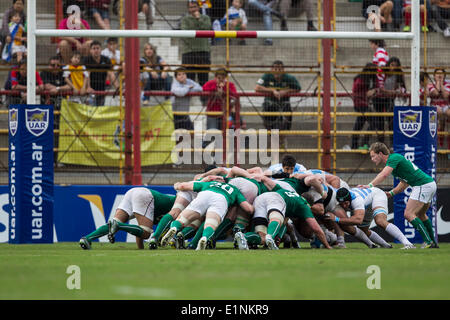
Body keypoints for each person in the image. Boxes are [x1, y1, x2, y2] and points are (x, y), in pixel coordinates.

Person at [358, 142, 439, 248]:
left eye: (373, 156)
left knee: (408, 214)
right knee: (421, 215)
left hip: (422, 185)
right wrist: (392, 193)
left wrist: (369, 185)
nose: (372, 159)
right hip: (429, 184)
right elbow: (404, 183)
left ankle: (428, 242)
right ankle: (433, 242)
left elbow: (384, 174)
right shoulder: (394, 162)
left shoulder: (393, 158)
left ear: (381, 154)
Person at [235, 174, 332, 250]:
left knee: (262, 237)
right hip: (275, 199)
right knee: (275, 220)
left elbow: (271, 184)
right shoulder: (304, 205)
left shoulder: (288, 191)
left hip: (260, 199)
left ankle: (243, 236)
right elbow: (316, 229)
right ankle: (270, 237)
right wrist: (327, 246)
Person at [161, 179, 254, 250]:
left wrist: (176, 184)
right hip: (221, 199)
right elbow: (248, 209)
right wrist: (253, 207)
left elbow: (182, 186)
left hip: (205, 194)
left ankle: (174, 228)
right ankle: (205, 237)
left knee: (182, 219)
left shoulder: (209, 183)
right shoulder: (235, 190)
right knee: (210, 224)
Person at [79, 187, 176, 250]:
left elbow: (139, 231)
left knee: (114, 222)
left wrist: (141, 249)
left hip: (132, 192)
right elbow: (144, 233)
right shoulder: (178, 205)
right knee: (146, 232)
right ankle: (119, 226)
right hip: (145, 196)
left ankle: (87, 239)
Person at [325, 187, 415, 249]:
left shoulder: (357, 200)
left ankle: (408, 243)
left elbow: (358, 220)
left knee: (380, 221)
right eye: (342, 204)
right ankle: (386, 245)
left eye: (346, 203)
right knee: (364, 230)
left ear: (350, 200)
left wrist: (337, 219)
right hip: (366, 203)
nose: (344, 206)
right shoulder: (341, 196)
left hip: (377, 195)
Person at [255, 60, 301, 148]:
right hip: (269, 105)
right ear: (271, 69)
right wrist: (272, 90)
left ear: (283, 70)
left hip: (284, 104)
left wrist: (286, 91)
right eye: (275, 68)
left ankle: (282, 140)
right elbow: (257, 88)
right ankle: (275, 140)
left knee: (284, 125)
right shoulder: (266, 76)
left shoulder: (289, 78)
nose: (277, 71)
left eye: (280, 69)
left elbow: (298, 88)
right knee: (269, 125)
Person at [180, 0, 212, 93]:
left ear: (198, 7)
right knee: (189, 79)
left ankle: (204, 101)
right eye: (191, 7)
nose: (193, 9)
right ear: (188, 9)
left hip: (203, 51)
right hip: (189, 53)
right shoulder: (185, 19)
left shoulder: (205, 18)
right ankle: (189, 99)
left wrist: (199, 19)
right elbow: (184, 34)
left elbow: (207, 28)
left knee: (204, 79)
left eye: (194, 7)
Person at [379, 56, 407, 147]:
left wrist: (396, 91)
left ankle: (392, 143)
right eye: (391, 65)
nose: (393, 67)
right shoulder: (384, 73)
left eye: (395, 66)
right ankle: (380, 143)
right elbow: (380, 87)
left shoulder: (399, 75)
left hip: (392, 100)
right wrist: (388, 92)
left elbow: (402, 88)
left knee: (392, 122)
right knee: (379, 121)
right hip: (381, 99)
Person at [351, 63, 378, 150]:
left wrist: (374, 91)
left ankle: (356, 145)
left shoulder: (371, 78)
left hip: (364, 103)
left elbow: (377, 88)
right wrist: (366, 94)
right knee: (373, 123)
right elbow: (356, 92)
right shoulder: (360, 79)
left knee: (360, 124)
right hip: (360, 104)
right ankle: (363, 142)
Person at [83, 40, 116, 106]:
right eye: (94, 48)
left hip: (101, 90)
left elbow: (111, 74)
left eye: (97, 48)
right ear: (90, 50)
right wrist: (88, 87)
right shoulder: (86, 60)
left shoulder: (106, 60)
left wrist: (118, 87)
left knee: (100, 111)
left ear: (101, 49)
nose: (96, 50)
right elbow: (87, 74)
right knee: (91, 111)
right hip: (90, 91)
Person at [369, 39, 390, 144]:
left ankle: (382, 141)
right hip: (381, 87)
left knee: (380, 116)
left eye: (372, 43)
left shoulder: (380, 52)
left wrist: (379, 85)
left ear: (376, 43)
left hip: (381, 89)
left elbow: (381, 69)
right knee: (382, 116)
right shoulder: (381, 52)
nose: (370, 45)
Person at [428, 68, 450, 148]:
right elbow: (436, 93)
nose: (440, 75)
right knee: (439, 112)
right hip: (435, 107)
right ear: (434, 76)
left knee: (447, 112)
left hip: (445, 106)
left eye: (441, 74)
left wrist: (441, 85)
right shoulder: (430, 85)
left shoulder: (447, 84)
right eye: (437, 74)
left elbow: (446, 95)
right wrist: (438, 83)